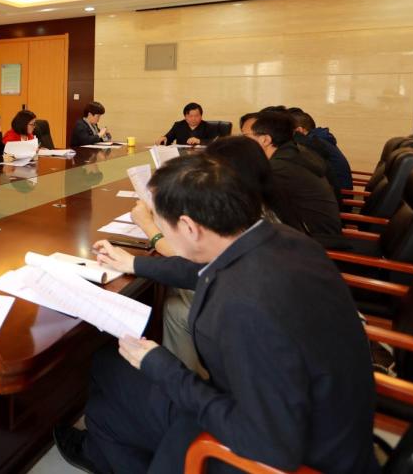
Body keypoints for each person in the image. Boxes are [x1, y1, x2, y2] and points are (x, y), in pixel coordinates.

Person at [54, 154, 378, 474]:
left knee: (109, 386)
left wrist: (164, 367)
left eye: (161, 225)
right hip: (330, 423)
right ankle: (102, 448)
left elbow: (270, 446)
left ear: (188, 227)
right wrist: (133, 263)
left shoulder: (244, 308)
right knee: (106, 382)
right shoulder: (281, 239)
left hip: (288, 454)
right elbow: (206, 270)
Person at [126, 136, 303, 378]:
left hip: (263, 376)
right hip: (296, 346)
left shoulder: (240, 302)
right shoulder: (265, 215)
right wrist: (133, 262)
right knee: (175, 308)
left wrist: (150, 228)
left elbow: (196, 263)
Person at [241, 111, 341, 237]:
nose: (241, 141)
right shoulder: (293, 154)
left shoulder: (279, 168)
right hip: (314, 233)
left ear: (265, 140)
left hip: (314, 240)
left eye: (245, 136)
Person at [287, 107, 353, 193]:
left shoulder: (312, 144)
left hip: (339, 195)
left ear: (299, 130)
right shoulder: (319, 138)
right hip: (335, 192)